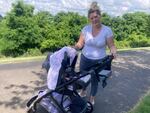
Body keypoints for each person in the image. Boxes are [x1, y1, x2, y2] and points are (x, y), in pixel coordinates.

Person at [74, 1, 117, 105]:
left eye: (96, 17)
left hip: (99, 61)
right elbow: (80, 43)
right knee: (82, 77)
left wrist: (114, 51)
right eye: (92, 18)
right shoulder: (86, 29)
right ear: (89, 19)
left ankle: (92, 98)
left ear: (100, 16)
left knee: (94, 80)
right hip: (85, 58)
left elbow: (111, 45)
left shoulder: (107, 30)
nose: (94, 19)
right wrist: (74, 48)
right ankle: (83, 91)